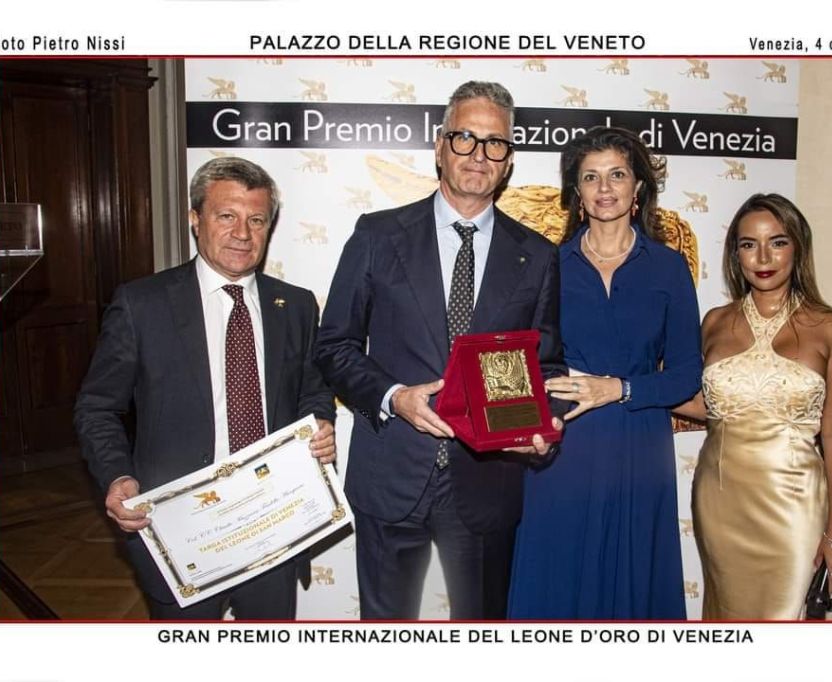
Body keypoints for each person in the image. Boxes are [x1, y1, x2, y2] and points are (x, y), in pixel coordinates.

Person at [314, 81, 564, 620]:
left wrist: (544, 423)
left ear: (509, 160)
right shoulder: (377, 235)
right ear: (439, 146)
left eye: (495, 143)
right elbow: (334, 345)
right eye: (464, 138)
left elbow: (545, 365)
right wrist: (393, 396)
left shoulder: (538, 256)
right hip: (391, 474)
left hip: (487, 484)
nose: (478, 155)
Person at [74, 156, 337, 620]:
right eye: (226, 216)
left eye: (257, 220)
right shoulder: (141, 304)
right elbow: (97, 407)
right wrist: (117, 476)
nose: (243, 233)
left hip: (274, 524)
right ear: (195, 219)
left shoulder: (295, 305)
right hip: (181, 531)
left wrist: (320, 422)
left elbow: (311, 389)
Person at [507, 126, 701, 619]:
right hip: (563, 448)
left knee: (632, 587)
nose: (605, 188)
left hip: (639, 448)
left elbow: (687, 376)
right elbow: (520, 362)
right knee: (557, 583)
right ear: (576, 191)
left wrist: (620, 388)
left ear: (638, 187)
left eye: (617, 174)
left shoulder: (668, 268)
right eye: (590, 177)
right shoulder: (547, 265)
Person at [681, 193, 832, 619]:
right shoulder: (715, 321)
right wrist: (627, 389)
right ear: (735, 254)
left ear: (798, 247)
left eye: (777, 242)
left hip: (794, 504)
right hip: (719, 500)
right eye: (748, 244)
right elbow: (712, 405)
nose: (763, 257)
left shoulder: (830, 328)